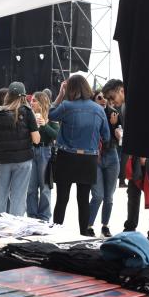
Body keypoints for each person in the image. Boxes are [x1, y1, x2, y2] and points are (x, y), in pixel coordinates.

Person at [49, 75, 109, 234]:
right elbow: (107, 136)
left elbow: (51, 114)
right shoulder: (99, 109)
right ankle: (84, 232)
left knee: (62, 199)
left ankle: (56, 232)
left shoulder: (67, 106)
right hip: (88, 159)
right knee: (83, 200)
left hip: (66, 157)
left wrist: (60, 95)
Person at [0, 82, 39, 216]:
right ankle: (15, 231)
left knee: (0, 199)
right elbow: (36, 139)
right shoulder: (27, 112)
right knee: (18, 199)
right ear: (23, 96)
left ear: (8, 95)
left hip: (2, 161)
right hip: (23, 160)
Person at [87, 98, 122, 236]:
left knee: (109, 196)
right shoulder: (90, 113)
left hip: (112, 155)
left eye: (105, 98)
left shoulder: (114, 114)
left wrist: (115, 128)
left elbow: (120, 139)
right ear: (94, 100)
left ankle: (105, 226)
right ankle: (88, 225)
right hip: (95, 156)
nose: (103, 100)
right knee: (98, 195)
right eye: (99, 98)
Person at [26, 92, 58, 221]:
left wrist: (44, 125)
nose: (31, 103)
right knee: (30, 188)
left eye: (34, 100)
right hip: (31, 150)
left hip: (45, 151)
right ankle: (32, 216)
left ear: (41, 103)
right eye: (31, 100)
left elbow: (57, 135)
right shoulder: (29, 115)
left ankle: (44, 217)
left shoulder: (51, 116)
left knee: (45, 187)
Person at [102, 79, 128, 188]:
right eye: (108, 99)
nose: (110, 101)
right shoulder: (119, 107)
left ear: (121, 91)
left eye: (112, 97)